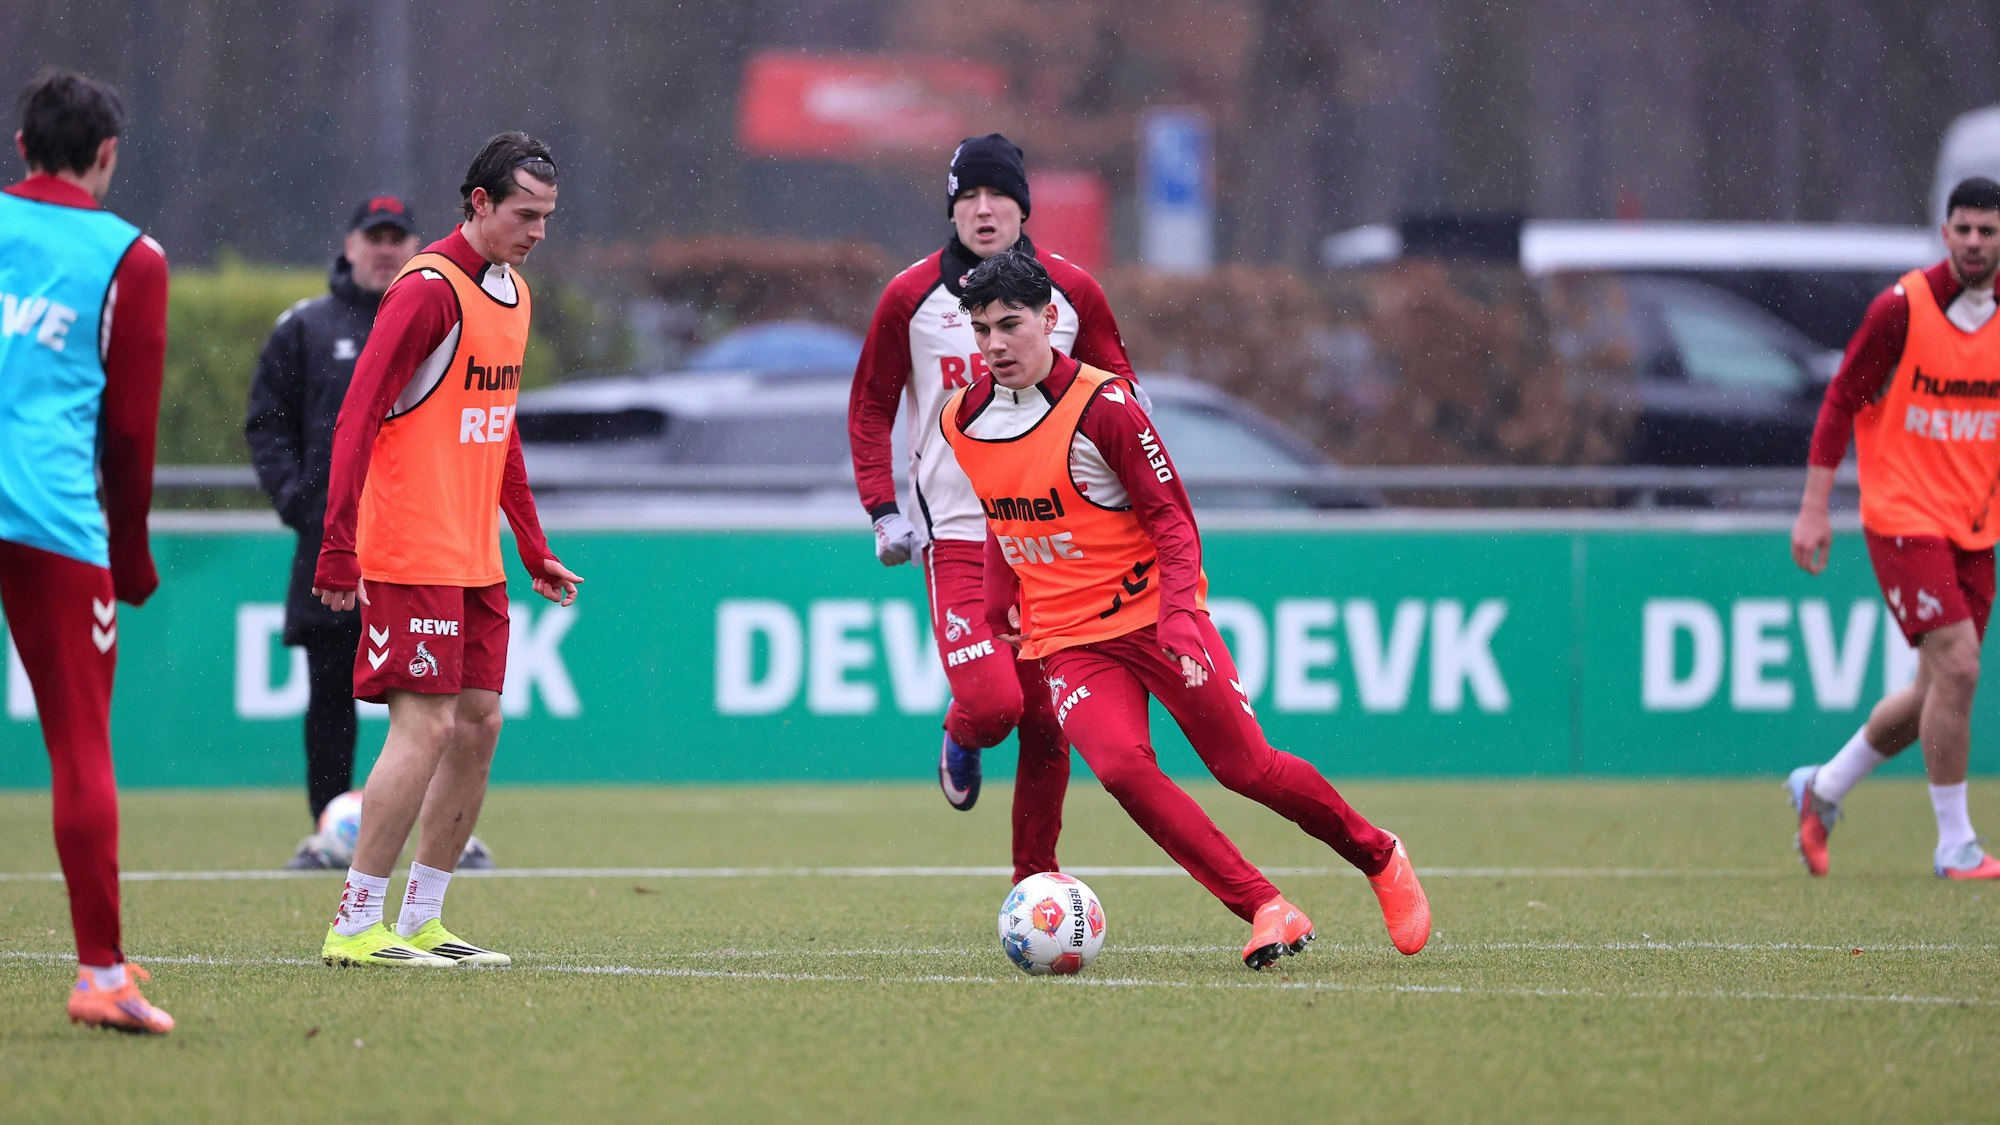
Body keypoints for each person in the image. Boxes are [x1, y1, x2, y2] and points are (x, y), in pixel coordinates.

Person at [940, 250, 1431, 968]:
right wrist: (996, 592)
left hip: (1157, 619)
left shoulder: (1104, 408)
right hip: (1070, 637)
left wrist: (1176, 614)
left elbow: (1172, 520)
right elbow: (998, 504)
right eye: (980, 329)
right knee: (1123, 769)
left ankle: (1379, 853)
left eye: (1009, 324)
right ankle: (1266, 906)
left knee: (1247, 769)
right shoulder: (964, 418)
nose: (995, 344)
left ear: (1049, 319)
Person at [312, 132, 582, 967]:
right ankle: (357, 922)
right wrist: (337, 546)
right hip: (409, 547)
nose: (538, 231)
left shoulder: (515, 294)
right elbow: (356, 416)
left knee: (478, 723)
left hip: (475, 555)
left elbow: (499, 432)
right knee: (424, 726)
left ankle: (423, 915)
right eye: (524, 215)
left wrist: (531, 545)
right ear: (478, 204)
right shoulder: (425, 291)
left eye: (547, 216)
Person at [848, 133, 1135, 883]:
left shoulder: (1073, 292)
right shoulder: (909, 297)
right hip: (961, 536)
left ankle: (1033, 883)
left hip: (1050, 537)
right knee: (995, 703)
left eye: (997, 195)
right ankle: (961, 725)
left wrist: (1123, 490)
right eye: (967, 197)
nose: (982, 210)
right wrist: (882, 507)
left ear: (1022, 206)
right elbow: (870, 407)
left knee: (1048, 721)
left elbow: (1121, 395)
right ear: (951, 207)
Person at [0, 69, 174, 1032]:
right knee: (78, 747)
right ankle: (101, 976)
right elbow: (130, 436)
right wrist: (133, 553)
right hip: (48, 524)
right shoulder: (130, 257)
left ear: (21, 146)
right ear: (108, 156)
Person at [246, 194, 489, 871]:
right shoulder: (307, 328)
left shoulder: (444, 312)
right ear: (349, 245)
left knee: (433, 702)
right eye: (373, 236)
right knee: (331, 696)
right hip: (338, 549)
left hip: (419, 543)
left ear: (414, 245)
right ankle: (332, 829)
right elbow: (267, 426)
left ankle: (446, 836)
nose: (385, 248)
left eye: (397, 236)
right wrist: (307, 509)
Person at [1788, 176, 2000, 881]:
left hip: (1973, 524)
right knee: (1962, 665)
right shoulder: (1902, 308)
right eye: (1964, 229)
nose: (1975, 241)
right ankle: (1956, 844)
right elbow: (1842, 398)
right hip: (1903, 517)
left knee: (1936, 688)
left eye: (1988, 231)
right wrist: (1815, 507)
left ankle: (1822, 789)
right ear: (1945, 234)